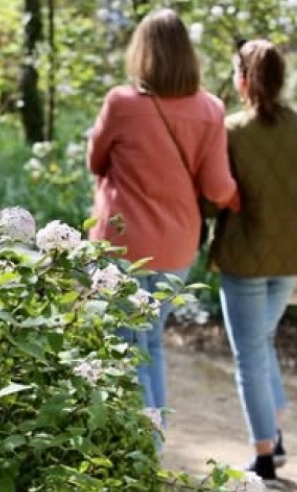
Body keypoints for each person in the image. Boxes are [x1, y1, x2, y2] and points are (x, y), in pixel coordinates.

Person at [86, 8, 239, 436]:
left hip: (121, 245)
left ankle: (145, 452)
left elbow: (95, 161)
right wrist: (242, 198)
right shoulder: (211, 109)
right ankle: (152, 442)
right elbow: (217, 187)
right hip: (177, 249)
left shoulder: (121, 103)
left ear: (141, 53)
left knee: (126, 347)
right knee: (150, 342)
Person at [210, 39, 297, 480]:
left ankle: (264, 456)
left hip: (246, 257)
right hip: (292, 256)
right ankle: (274, 432)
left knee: (249, 355)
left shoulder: (232, 131)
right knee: (262, 343)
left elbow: (214, 197)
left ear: (244, 79)